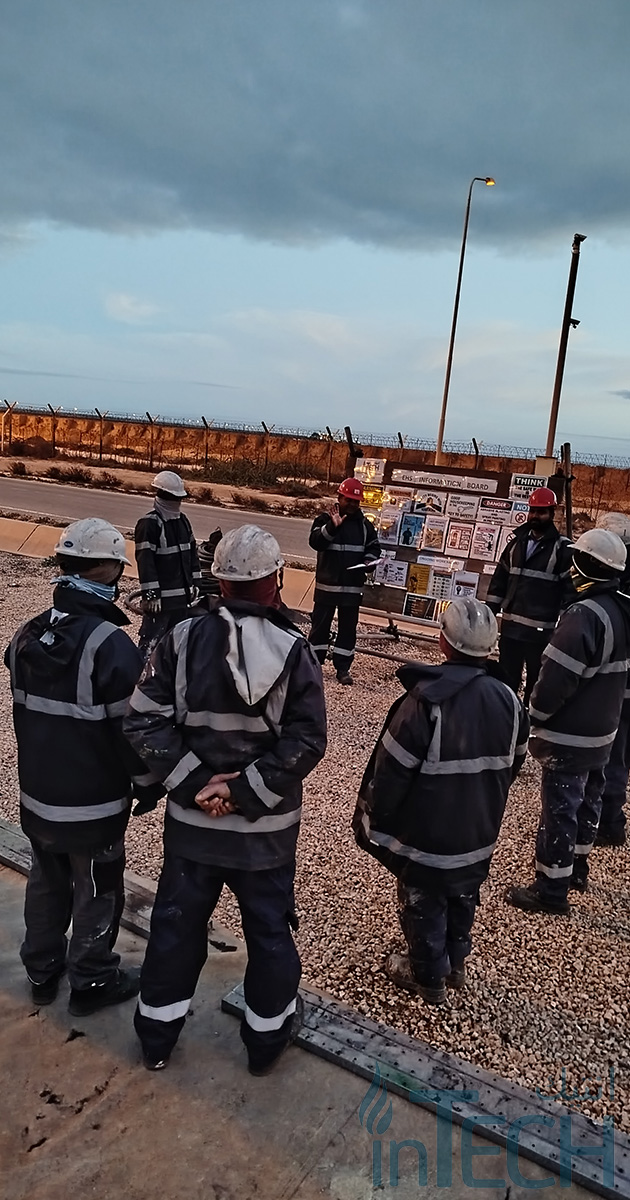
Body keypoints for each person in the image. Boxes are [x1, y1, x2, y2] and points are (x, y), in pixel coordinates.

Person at [123, 524, 327, 1074]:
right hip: (265, 839)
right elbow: (307, 742)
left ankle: (157, 1041)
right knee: (269, 936)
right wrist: (242, 791)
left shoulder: (180, 640)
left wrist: (199, 785)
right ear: (276, 579)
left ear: (219, 581)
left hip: (193, 833)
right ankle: (264, 1046)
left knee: (175, 929)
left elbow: (142, 721)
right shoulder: (295, 652)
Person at [5, 519, 162, 1014]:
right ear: (110, 570)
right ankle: (91, 981)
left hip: (38, 800)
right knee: (96, 889)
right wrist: (149, 784)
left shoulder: (26, 635)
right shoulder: (110, 646)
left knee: (46, 882)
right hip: (93, 808)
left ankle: (41, 971)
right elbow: (131, 733)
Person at [352, 598, 529, 1005]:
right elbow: (514, 763)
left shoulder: (425, 702)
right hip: (478, 831)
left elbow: (391, 773)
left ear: (443, 643)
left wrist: (378, 815)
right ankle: (455, 963)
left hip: (428, 833)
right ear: (490, 648)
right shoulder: (510, 700)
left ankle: (427, 975)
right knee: (463, 889)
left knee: (424, 895)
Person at [507, 529, 630, 915]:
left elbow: (556, 679)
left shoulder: (584, 615)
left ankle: (551, 889)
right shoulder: (621, 610)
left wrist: (534, 715)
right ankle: (576, 868)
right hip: (602, 732)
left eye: (578, 560)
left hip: (571, 736)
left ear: (590, 565)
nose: (571, 567)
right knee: (588, 801)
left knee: (561, 807)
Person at [486, 486, 574, 705]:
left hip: (541, 634)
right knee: (507, 680)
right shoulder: (516, 544)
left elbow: (569, 592)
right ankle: (506, 715)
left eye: (541, 512)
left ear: (552, 513)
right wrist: (488, 614)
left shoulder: (562, 549)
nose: (535, 516)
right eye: (532, 510)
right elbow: (499, 582)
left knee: (537, 682)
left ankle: (529, 718)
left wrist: (564, 629)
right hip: (511, 630)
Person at [308, 477, 380, 685]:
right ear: (339, 497)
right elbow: (315, 542)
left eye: (356, 501)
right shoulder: (324, 520)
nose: (352, 504)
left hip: (351, 589)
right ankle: (313, 666)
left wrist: (369, 561)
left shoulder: (365, 526)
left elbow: (374, 547)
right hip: (327, 587)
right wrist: (332, 527)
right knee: (319, 628)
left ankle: (343, 668)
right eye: (348, 500)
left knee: (348, 630)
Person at [590, 514, 630, 846]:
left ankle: (609, 822)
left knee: (612, 755)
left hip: (619, 688)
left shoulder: (619, 589)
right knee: (620, 755)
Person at [134, 470, 202, 660]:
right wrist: (151, 595)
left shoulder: (183, 522)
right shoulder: (149, 524)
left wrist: (197, 584)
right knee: (150, 646)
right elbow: (145, 562)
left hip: (181, 601)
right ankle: (141, 675)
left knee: (176, 646)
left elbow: (192, 554)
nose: (176, 503)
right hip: (160, 604)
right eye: (173, 498)